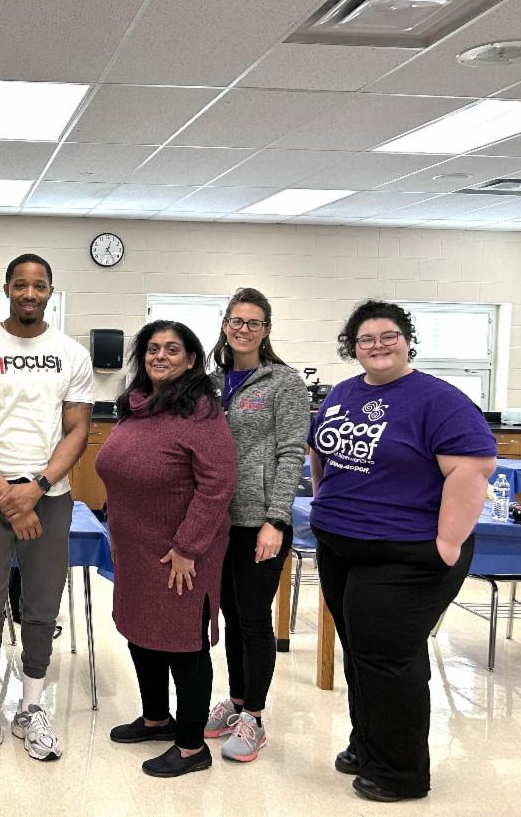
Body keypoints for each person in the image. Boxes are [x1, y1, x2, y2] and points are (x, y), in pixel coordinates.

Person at [309, 300, 496, 803]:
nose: (378, 345)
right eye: (366, 339)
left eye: (388, 335)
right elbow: (320, 451)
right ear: (353, 348)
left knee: (388, 659)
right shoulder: (344, 392)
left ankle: (399, 772)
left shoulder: (439, 400)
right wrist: (328, 504)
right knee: (361, 654)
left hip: (404, 553)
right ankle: (368, 745)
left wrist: (447, 544)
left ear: (407, 340)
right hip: (342, 547)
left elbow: (473, 469)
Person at [0, 254, 93, 767]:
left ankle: (31, 708)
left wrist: (38, 487)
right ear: (6, 288)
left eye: (39, 286)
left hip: (48, 497)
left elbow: (78, 429)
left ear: (50, 291)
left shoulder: (72, 354)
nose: (30, 293)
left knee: (41, 605)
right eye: (20, 285)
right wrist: (10, 498)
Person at [98, 321, 237, 778]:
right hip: (135, 546)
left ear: (191, 359)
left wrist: (187, 546)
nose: (161, 356)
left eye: (172, 349)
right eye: (153, 348)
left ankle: (192, 746)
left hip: (179, 552)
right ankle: (156, 718)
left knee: (183, 643)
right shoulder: (137, 405)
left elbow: (218, 483)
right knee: (141, 632)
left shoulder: (201, 411)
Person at [204, 288, 310, 762]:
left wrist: (276, 519)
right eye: (236, 321)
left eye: (253, 322)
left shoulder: (283, 383)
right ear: (225, 325)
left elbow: (291, 453)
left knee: (253, 616)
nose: (243, 329)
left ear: (266, 330)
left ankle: (255, 717)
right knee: (230, 613)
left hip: (259, 522)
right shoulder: (211, 382)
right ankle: (236, 701)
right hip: (217, 521)